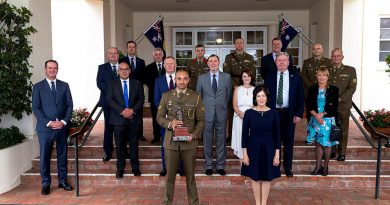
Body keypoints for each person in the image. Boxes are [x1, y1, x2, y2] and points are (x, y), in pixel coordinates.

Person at [156, 69, 205, 205]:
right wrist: (170, 124)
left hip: (189, 142)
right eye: (179, 79)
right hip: (171, 142)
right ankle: (167, 202)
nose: (182, 81)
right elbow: (159, 117)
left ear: (189, 80)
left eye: (185, 79)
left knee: (190, 177)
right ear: (175, 80)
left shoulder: (196, 97)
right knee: (170, 177)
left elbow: (201, 120)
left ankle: (194, 202)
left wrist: (194, 135)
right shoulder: (166, 96)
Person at [32, 60, 73, 195]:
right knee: (45, 157)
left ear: (57, 69)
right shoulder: (38, 87)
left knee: (62, 155)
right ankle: (46, 184)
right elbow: (36, 108)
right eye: (49, 68)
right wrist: (49, 123)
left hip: (61, 128)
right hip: (45, 129)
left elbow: (69, 105)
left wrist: (63, 121)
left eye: (55, 68)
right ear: (45, 69)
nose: (52, 70)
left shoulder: (64, 85)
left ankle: (62, 181)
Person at [264, 52, 304, 177]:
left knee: (288, 142)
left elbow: (300, 97)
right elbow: (265, 96)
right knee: (273, 141)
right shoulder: (269, 76)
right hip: (273, 113)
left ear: (288, 62)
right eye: (279, 60)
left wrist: (298, 114)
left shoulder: (295, 76)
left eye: (284, 60)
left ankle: (288, 168)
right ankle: (274, 166)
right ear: (276, 63)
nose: (281, 62)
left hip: (289, 114)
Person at [241, 85, 281, 205]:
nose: (261, 98)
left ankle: (264, 203)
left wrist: (277, 155)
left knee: (266, 178)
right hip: (253, 149)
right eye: (258, 96)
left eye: (263, 96)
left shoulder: (274, 113)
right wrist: (245, 154)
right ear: (255, 98)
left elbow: (277, 136)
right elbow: (244, 136)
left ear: (267, 98)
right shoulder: (248, 113)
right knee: (255, 177)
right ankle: (258, 203)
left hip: (269, 150)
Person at [106, 62, 144, 178]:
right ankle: (120, 168)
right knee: (119, 145)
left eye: (126, 69)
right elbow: (109, 100)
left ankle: (135, 168)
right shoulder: (112, 84)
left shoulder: (136, 83)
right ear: (118, 71)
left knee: (134, 145)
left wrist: (132, 110)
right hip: (118, 120)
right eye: (121, 69)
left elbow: (141, 99)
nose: (124, 71)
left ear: (130, 71)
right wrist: (122, 111)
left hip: (133, 118)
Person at [197, 54, 232, 176]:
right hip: (206, 113)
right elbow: (199, 97)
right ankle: (209, 165)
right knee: (207, 139)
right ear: (207, 63)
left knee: (221, 139)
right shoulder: (201, 78)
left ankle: (220, 165)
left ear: (219, 63)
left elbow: (228, 96)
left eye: (215, 61)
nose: (213, 63)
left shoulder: (226, 77)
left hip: (221, 112)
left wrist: (221, 106)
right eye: (210, 61)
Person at [154, 56, 184, 177]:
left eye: (172, 63)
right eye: (167, 64)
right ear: (164, 66)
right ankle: (166, 167)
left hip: (181, 118)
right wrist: (165, 115)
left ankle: (181, 168)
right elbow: (156, 99)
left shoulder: (181, 79)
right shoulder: (158, 80)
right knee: (165, 144)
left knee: (181, 143)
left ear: (175, 65)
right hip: (165, 119)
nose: (170, 66)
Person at [306, 67, 339, 176]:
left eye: (324, 75)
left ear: (327, 77)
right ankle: (318, 167)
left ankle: (326, 167)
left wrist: (322, 114)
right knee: (318, 144)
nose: (321, 77)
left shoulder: (334, 89)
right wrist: (316, 115)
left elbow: (334, 106)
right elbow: (309, 104)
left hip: (328, 120)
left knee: (328, 144)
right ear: (316, 76)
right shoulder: (312, 89)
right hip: (315, 119)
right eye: (319, 75)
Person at [223, 37, 256, 142]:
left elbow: (252, 73)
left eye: (241, 43)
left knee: (249, 108)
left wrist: (246, 84)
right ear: (235, 45)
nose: (239, 44)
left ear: (244, 44)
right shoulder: (229, 57)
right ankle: (232, 135)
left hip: (246, 84)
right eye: (237, 43)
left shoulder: (249, 57)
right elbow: (226, 74)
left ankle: (249, 133)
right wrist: (234, 85)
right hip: (234, 86)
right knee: (233, 110)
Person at [329, 48, 357, 161]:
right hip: (329, 105)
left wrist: (340, 99)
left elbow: (352, 87)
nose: (336, 58)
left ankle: (342, 152)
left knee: (343, 129)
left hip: (343, 105)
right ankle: (332, 150)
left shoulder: (350, 70)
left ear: (342, 57)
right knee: (331, 128)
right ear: (331, 57)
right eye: (334, 56)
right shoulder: (327, 70)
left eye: (338, 56)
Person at [119, 40, 147, 141]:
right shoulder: (122, 61)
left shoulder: (141, 61)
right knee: (126, 111)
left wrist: (138, 86)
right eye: (129, 47)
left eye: (133, 47)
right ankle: (126, 134)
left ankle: (140, 134)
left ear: (135, 48)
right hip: (125, 90)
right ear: (127, 49)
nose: (131, 48)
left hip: (137, 90)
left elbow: (144, 76)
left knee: (138, 112)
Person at [97, 47, 119, 162]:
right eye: (111, 53)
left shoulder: (124, 67)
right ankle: (108, 152)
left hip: (122, 103)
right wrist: (113, 94)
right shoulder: (102, 68)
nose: (113, 55)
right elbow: (99, 83)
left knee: (122, 128)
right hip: (108, 102)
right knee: (109, 128)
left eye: (115, 53)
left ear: (118, 55)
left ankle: (122, 151)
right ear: (107, 55)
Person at [231, 69, 255, 159]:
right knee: (240, 134)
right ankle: (242, 157)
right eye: (244, 76)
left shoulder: (255, 89)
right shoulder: (237, 89)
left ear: (251, 77)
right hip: (239, 116)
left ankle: (249, 155)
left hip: (252, 115)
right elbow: (234, 104)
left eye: (248, 76)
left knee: (250, 135)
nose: (246, 78)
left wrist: (248, 114)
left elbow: (257, 104)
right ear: (241, 78)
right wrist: (239, 113)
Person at [144, 47, 166, 144]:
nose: (158, 56)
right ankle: (156, 136)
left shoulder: (167, 66)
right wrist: (158, 88)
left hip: (167, 97)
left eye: (159, 54)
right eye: (156, 54)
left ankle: (166, 135)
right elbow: (147, 81)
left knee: (168, 117)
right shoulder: (148, 68)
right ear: (153, 56)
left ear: (163, 55)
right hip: (154, 96)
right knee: (156, 117)